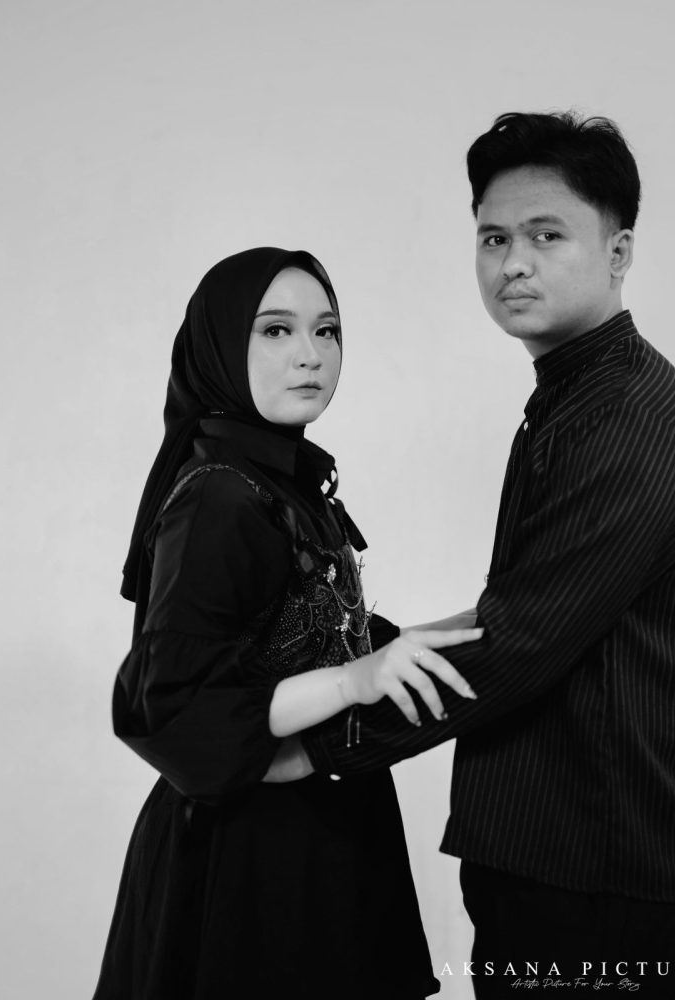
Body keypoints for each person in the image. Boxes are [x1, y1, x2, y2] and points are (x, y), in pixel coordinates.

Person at [277, 112, 675, 999]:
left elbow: (519, 643)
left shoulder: (628, 423)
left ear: (618, 253)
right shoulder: (579, 396)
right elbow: (521, 613)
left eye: (546, 235)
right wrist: (355, 661)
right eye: (494, 238)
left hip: (603, 876)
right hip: (563, 857)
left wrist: (311, 746)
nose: (513, 262)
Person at [93, 247, 482, 1000]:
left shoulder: (280, 479)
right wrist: (355, 680)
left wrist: (445, 632)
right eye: (275, 330)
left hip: (323, 831)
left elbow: (311, 634)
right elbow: (173, 706)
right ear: (220, 346)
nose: (311, 355)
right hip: (247, 864)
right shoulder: (219, 498)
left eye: (326, 330)